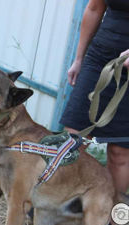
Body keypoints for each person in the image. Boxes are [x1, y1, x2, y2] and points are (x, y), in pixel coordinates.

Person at [60, 0, 129, 197]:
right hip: (100, 58)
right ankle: (57, 203)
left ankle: (110, 219)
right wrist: (79, 58)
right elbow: (94, 8)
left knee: (121, 153)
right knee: (74, 139)